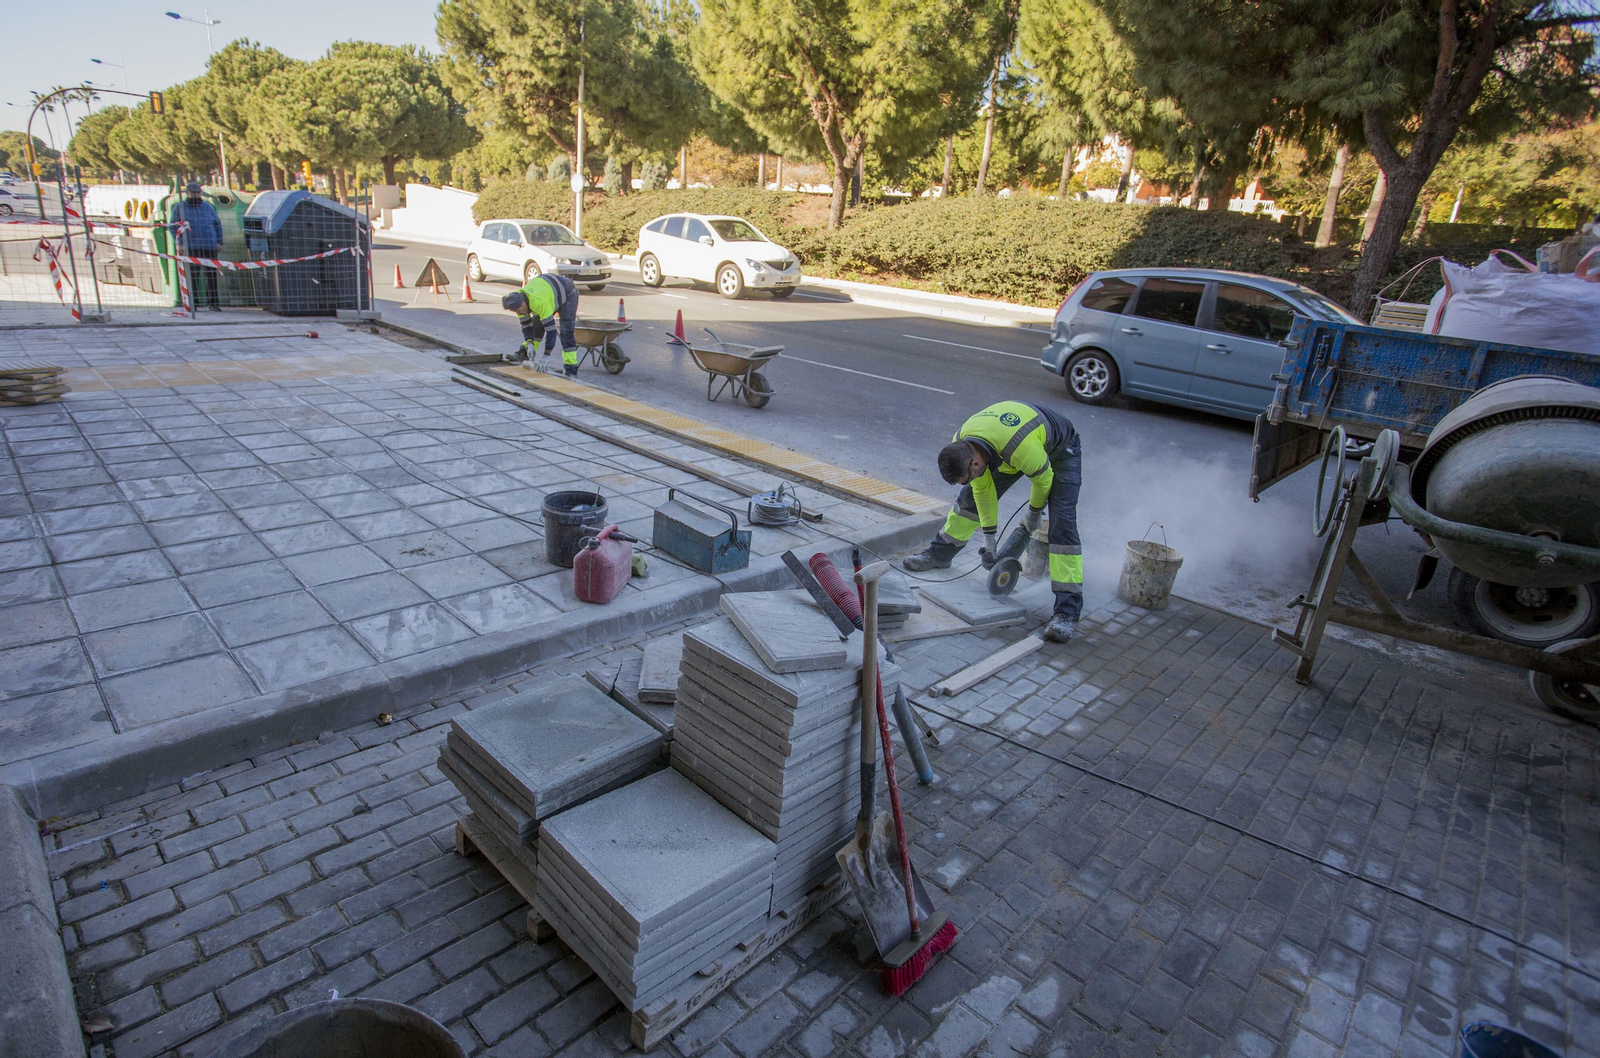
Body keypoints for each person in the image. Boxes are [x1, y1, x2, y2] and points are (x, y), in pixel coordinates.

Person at [903, 401, 1084, 642]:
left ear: (974, 464)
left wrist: (1032, 515)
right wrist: (989, 540)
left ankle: (1067, 613)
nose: (968, 481)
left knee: (1062, 527)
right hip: (1008, 447)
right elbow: (983, 494)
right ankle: (940, 554)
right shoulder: (962, 441)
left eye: (966, 478)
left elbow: (1043, 481)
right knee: (968, 501)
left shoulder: (1020, 449)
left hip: (1060, 449)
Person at [500, 272, 581, 376]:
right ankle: (524, 352)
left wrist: (546, 355)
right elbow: (526, 326)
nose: (519, 313)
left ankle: (571, 369)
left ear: (523, 303)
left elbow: (551, 331)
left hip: (567, 293)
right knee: (536, 327)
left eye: (519, 310)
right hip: (548, 291)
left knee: (566, 332)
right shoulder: (518, 302)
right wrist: (529, 343)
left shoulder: (538, 303)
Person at [168, 181, 223, 311]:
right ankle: (194, 303)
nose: (196, 195)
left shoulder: (207, 207)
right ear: (187, 193)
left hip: (209, 245)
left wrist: (219, 241)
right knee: (193, 276)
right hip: (191, 246)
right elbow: (172, 227)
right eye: (193, 193)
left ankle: (214, 303)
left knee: (211, 276)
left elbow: (217, 224)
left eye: (198, 193)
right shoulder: (179, 208)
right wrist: (180, 243)